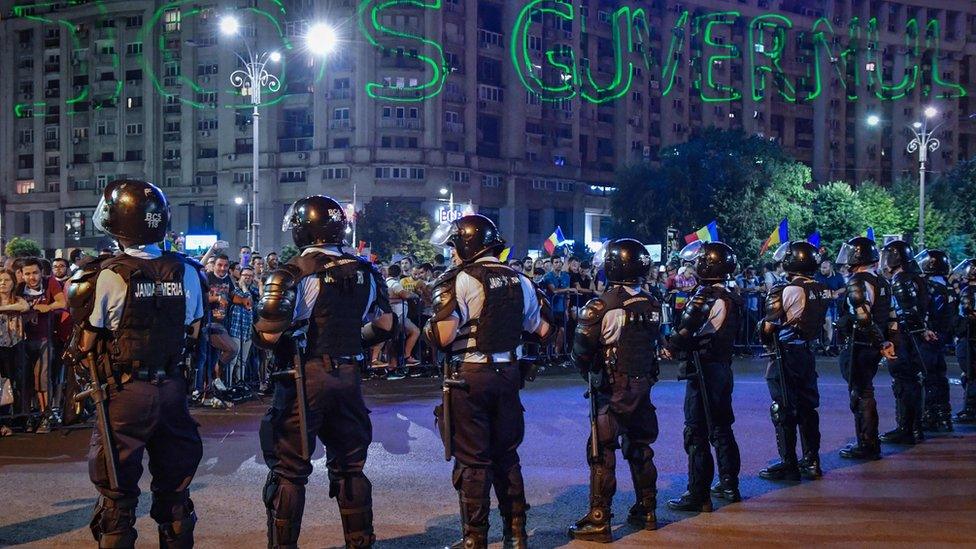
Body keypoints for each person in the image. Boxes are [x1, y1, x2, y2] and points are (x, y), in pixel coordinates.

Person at [65, 179, 206, 548]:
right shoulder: (187, 270)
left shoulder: (106, 274)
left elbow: (87, 341)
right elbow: (193, 331)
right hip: (173, 389)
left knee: (117, 499)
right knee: (175, 493)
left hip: (125, 392)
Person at [254, 195, 394, 549]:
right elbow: (385, 324)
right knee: (351, 466)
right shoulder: (365, 269)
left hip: (305, 376)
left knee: (289, 470)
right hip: (348, 375)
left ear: (303, 230)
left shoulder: (293, 271)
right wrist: (349, 343)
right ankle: (360, 542)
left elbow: (269, 334)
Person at [425, 214, 552, 549]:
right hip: (509, 375)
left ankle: (474, 538)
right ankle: (517, 533)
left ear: (468, 243)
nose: (451, 253)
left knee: (473, 460)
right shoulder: (522, 280)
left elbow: (444, 335)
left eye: (454, 245)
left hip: (472, 376)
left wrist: (428, 328)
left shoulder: (461, 278)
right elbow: (543, 330)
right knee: (507, 455)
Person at [567, 239, 661, 542]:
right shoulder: (652, 301)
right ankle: (647, 510)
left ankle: (600, 519)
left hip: (612, 387)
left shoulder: (601, 305)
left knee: (601, 451)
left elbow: (580, 352)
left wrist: (591, 374)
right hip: (643, 385)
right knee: (641, 448)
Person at [661, 240, 742, 512]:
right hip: (722, 367)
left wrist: (670, 346)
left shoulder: (706, 296)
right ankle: (729, 483)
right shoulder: (731, 294)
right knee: (721, 427)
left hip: (704, 368)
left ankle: (699, 493)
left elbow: (685, 330)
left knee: (696, 431)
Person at [756, 242, 831, 481]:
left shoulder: (788, 289)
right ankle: (812, 460)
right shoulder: (821, 288)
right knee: (808, 408)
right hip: (807, 353)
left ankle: (789, 462)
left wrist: (763, 330)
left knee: (783, 407)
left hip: (786, 353)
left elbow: (769, 327)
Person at [834, 237, 897, 460]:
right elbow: (891, 316)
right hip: (873, 342)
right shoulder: (881, 281)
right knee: (865, 391)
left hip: (861, 344)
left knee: (861, 394)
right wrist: (887, 341)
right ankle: (868, 441)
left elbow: (864, 317)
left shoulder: (857, 281)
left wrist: (881, 342)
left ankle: (867, 443)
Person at [878, 240, 930, 446]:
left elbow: (907, 312)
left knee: (903, 382)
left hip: (904, 338)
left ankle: (906, 428)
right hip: (913, 337)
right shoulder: (915, 277)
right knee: (912, 382)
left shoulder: (901, 280)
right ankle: (914, 427)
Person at [20, 257, 66, 433]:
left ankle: (45, 415)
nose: (32, 277)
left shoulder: (49, 282)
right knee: (25, 380)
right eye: (28, 274)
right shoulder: (18, 287)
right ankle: (29, 416)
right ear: (22, 275)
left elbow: (62, 302)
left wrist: (49, 307)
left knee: (43, 378)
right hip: (21, 340)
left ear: (41, 272)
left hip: (44, 339)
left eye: (35, 273)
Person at [914, 249, 955, 432]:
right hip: (942, 336)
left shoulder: (931, 287)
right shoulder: (948, 286)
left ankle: (930, 415)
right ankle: (943, 414)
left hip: (930, 335)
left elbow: (929, 312)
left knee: (928, 376)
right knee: (939, 375)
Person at [205, 254, 240, 393]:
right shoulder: (207, 277)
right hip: (209, 324)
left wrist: (243, 301)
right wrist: (218, 298)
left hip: (223, 323)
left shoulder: (228, 279)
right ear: (214, 265)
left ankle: (215, 381)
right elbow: (202, 297)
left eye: (225, 265)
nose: (222, 268)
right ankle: (213, 378)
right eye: (220, 265)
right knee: (232, 348)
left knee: (218, 354)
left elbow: (232, 296)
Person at [0, 269, 28, 436]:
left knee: (10, 385)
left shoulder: (17, 299)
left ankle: (8, 422)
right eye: (0, 280)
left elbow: (24, 306)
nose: (3, 283)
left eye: (6, 280)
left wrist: (3, 308)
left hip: (13, 346)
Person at [953, 259, 976, 422]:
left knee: (970, 373)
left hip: (969, 337)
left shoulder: (968, 291)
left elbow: (966, 315)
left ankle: (971, 408)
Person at [228, 266, 259, 386]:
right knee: (233, 361)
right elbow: (248, 302)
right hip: (236, 329)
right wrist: (244, 287)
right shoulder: (235, 289)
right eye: (245, 275)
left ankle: (240, 383)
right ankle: (229, 384)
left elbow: (261, 297)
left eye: (251, 276)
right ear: (240, 276)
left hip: (248, 331)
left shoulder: (253, 290)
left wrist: (259, 283)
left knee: (243, 361)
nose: (248, 277)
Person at [815, 260, 847, 354]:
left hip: (833, 304)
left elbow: (844, 287)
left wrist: (836, 292)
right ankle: (820, 344)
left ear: (830, 268)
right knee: (823, 324)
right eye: (821, 267)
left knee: (830, 324)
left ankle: (828, 346)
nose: (822, 269)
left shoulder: (838, 276)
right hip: (820, 304)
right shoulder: (818, 276)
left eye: (825, 268)